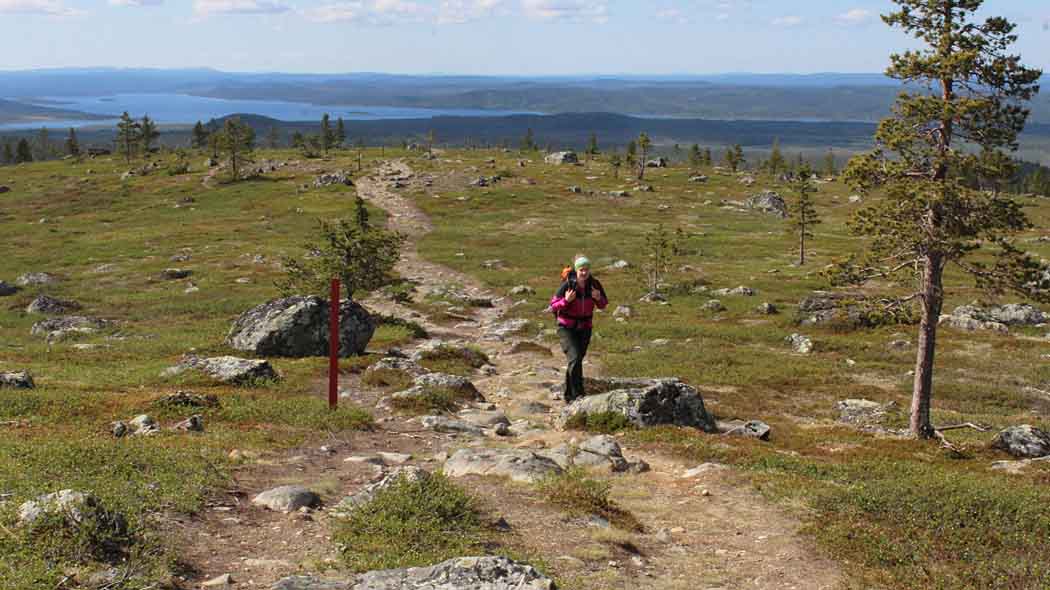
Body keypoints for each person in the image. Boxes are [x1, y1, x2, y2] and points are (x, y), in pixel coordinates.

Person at [550, 255, 608, 403]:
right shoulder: (568, 285)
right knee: (575, 358)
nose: (584, 272)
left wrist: (598, 298)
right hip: (566, 328)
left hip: (585, 328)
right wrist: (566, 301)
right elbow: (553, 306)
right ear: (576, 270)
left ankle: (569, 396)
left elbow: (603, 304)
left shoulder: (594, 284)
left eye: (586, 269)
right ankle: (578, 395)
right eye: (581, 270)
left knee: (575, 361)